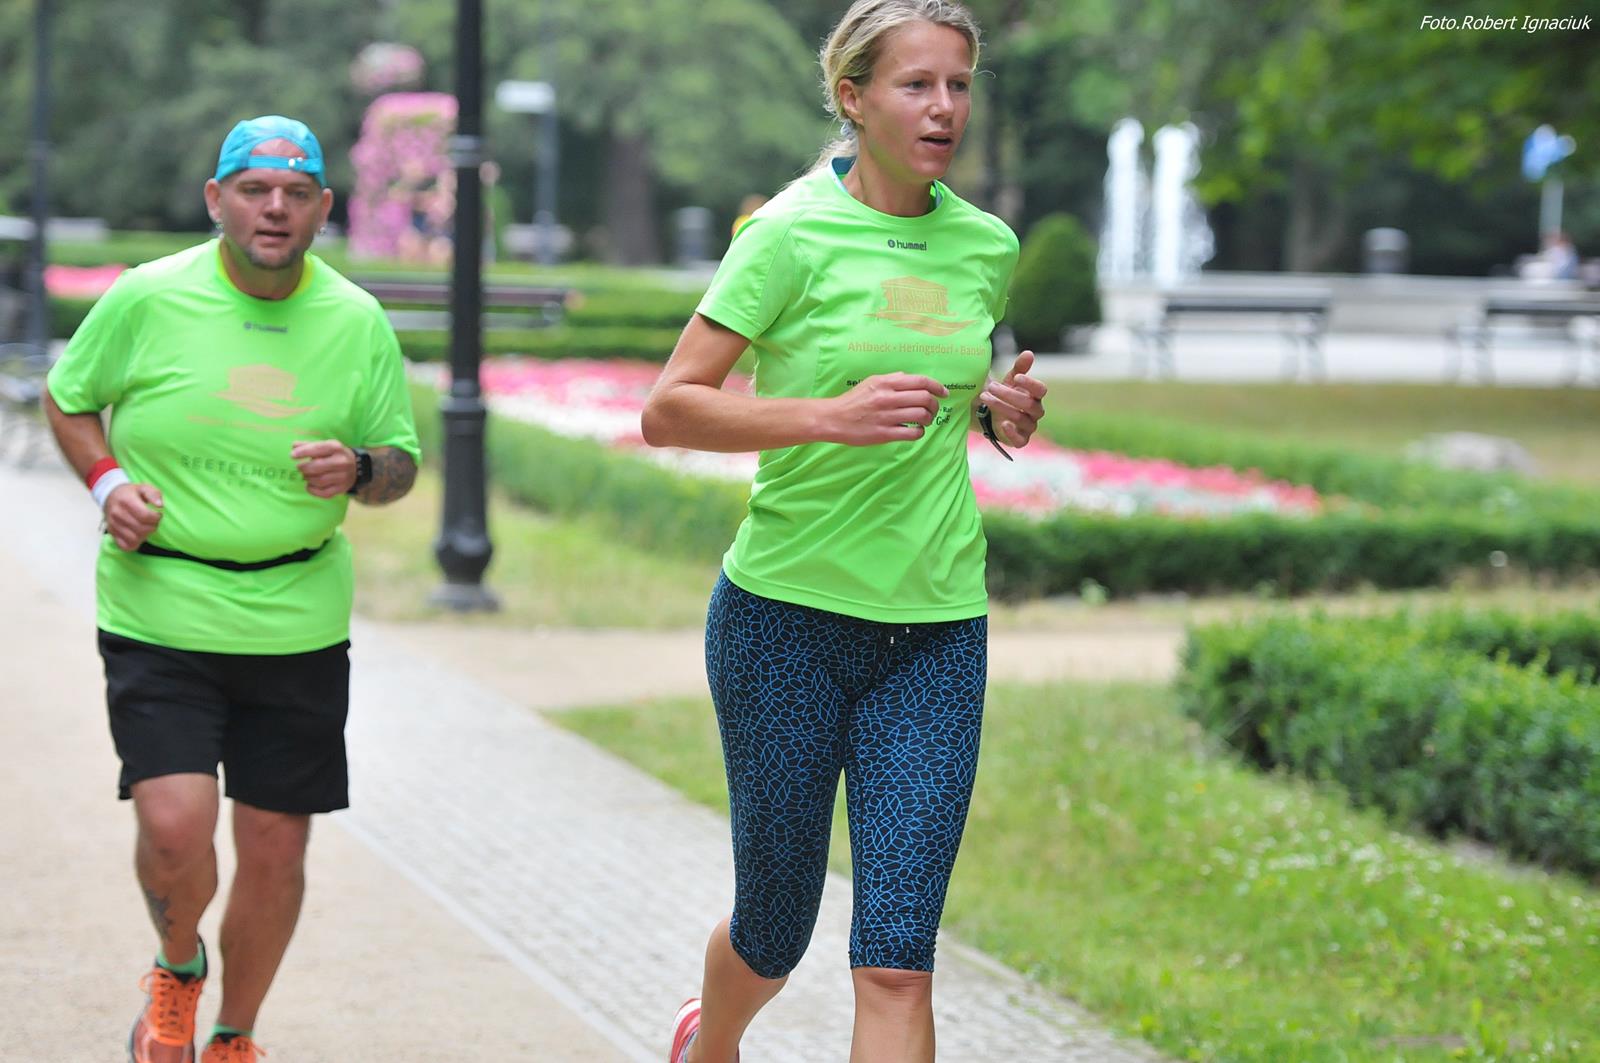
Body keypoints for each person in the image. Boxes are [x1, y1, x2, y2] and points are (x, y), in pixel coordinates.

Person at [640, 3, 1047, 1060]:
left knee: (898, 957)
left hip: (936, 626)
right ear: (853, 98)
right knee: (775, 926)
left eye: (958, 85)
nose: (944, 108)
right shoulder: (785, 234)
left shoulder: (985, 245)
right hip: (784, 622)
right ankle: (711, 1041)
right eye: (917, 85)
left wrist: (990, 410)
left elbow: (937, 386)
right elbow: (669, 408)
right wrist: (828, 416)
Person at [43, 115, 420, 1063]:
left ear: (324, 208)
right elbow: (69, 395)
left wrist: (359, 468)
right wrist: (107, 483)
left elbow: (401, 465)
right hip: (160, 602)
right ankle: (177, 969)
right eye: (255, 190)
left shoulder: (356, 320)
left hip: (296, 618)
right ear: (218, 199)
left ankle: (234, 1034)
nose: (275, 209)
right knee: (176, 828)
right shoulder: (148, 296)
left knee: (277, 845)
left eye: (296, 194)